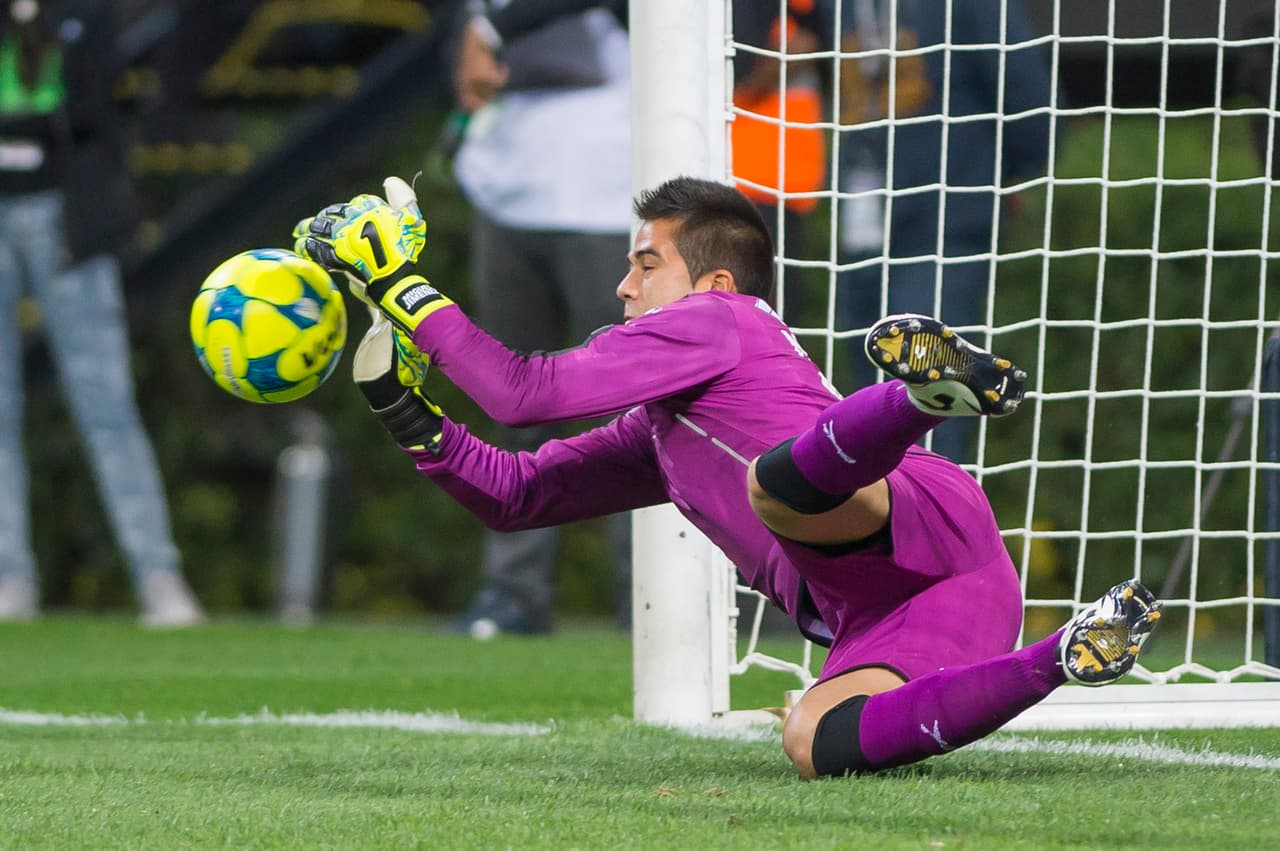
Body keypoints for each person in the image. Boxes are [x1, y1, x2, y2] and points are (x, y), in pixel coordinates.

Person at [295, 174, 1162, 777]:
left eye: (645, 263)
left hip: (908, 509)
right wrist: (406, 412)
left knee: (774, 489)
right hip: (921, 608)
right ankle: (1062, 656)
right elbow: (519, 495)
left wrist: (402, 282)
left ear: (712, 280)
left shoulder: (721, 317)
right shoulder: (661, 432)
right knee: (813, 741)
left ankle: (921, 399)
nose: (623, 285)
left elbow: (526, 391)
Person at [0, 0, 203, 625]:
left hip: (66, 216)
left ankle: (157, 575)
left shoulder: (84, 11)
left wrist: (97, 221)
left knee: (107, 403)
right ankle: (11, 575)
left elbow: (100, 117)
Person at [445, 0, 632, 637]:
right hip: (506, 181)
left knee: (633, 406)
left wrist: (492, 30)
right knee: (507, 399)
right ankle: (514, 592)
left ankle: (652, 595)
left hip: (605, 186)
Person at [835, 0, 1055, 463]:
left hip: (944, 219)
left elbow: (1030, 98)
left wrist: (1005, 173)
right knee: (867, 397)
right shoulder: (841, 7)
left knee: (927, 391)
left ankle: (930, 527)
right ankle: (879, 530)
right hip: (860, 219)